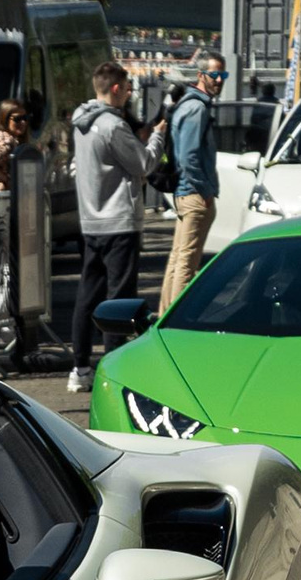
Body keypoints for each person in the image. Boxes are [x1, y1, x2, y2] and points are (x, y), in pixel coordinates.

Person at [68, 60, 152, 393]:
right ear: (115, 88)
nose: (129, 94)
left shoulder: (80, 122)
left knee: (87, 296)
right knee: (119, 299)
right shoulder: (112, 125)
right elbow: (143, 163)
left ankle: (80, 367)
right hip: (119, 220)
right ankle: (114, 369)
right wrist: (156, 138)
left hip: (91, 220)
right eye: (128, 88)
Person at [161, 52, 226, 310]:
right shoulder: (196, 108)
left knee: (178, 259)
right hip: (193, 195)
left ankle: (164, 314)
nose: (219, 80)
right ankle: (174, 319)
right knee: (187, 263)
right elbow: (188, 157)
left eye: (223, 75)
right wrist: (205, 191)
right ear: (201, 76)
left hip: (185, 193)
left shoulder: (189, 104)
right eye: (214, 75)